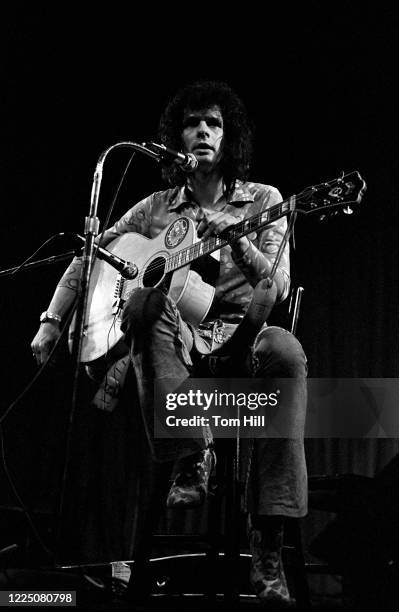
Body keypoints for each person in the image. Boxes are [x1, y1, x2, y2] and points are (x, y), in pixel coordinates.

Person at [31, 80, 307, 607]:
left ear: (230, 138)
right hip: (175, 348)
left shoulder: (265, 200)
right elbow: (88, 256)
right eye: (192, 122)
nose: (202, 130)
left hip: (242, 337)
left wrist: (239, 239)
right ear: (176, 136)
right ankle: (189, 454)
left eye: (215, 123)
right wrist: (51, 320)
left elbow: (278, 287)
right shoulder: (154, 208)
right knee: (146, 301)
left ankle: (267, 541)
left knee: (287, 352)